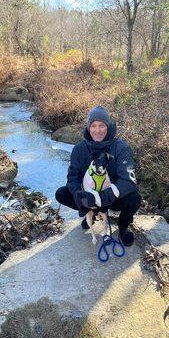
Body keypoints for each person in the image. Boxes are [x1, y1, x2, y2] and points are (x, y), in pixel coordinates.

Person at [55, 105, 141, 246]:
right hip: (89, 196)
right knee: (61, 193)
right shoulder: (79, 149)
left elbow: (128, 180)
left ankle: (123, 227)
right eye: (93, 125)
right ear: (88, 127)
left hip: (113, 198)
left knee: (135, 198)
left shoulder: (121, 147)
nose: (97, 130)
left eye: (102, 125)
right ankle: (91, 213)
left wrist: (104, 197)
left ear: (108, 126)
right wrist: (81, 196)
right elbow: (72, 179)